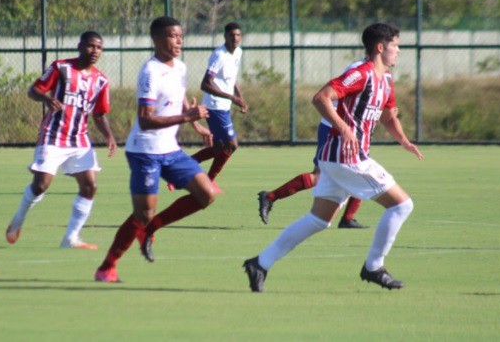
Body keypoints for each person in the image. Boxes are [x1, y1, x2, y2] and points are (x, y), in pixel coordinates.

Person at [243, 22, 423, 292]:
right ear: (380, 47)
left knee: (318, 220)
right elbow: (321, 98)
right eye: (396, 45)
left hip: (337, 160)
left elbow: (387, 116)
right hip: (346, 157)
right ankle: (374, 267)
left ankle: (260, 262)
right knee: (401, 206)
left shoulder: (385, 78)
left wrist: (404, 140)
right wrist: (344, 128)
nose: (399, 50)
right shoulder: (361, 73)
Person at [95, 16, 216, 283]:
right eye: (173, 36)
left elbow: (179, 99)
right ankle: (107, 266)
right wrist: (186, 118)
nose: (179, 41)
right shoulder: (149, 71)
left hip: (170, 150)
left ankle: (150, 230)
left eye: (180, 36)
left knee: (206, 194)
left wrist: (194, 122)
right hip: (145, 151)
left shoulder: (181, 68)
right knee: (143, 214)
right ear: (157, 39)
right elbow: (145, 119)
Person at [5, 31, 117, 249]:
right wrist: (47, 98)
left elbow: (99, 114)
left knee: (90, 186)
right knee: (41, 185)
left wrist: (109, 136)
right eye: (90, 46)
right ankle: (18, 220)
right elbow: (33, 90)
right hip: (53, 135)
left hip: (79, 140)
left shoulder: (101, 80)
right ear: (80, 46)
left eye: (99, 48)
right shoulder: (61, 68)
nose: (95, 51)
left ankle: (71, 238)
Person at [257, 60, 369, 229]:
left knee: (362, 170)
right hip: (334, 126)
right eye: (394, 44)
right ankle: (270, 197)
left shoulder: (377, 72)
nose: (397, 50)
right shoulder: (359, 70)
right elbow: (334, 96)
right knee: (319, 176)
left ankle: (347, 218)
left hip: (350, 129)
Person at [168, 22, 248, 193]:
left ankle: (178, 172)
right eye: (231, 35)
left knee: (219, 148)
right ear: (225, 36)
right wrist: (231, 97)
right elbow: (205, 84)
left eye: (238, 35)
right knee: (231, 145)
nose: (235, 38)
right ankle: (209, 181)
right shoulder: (219, 55)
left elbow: (231, 79)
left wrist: (239, 97)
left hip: (224, 106)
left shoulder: (238, 53)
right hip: (215, 106)